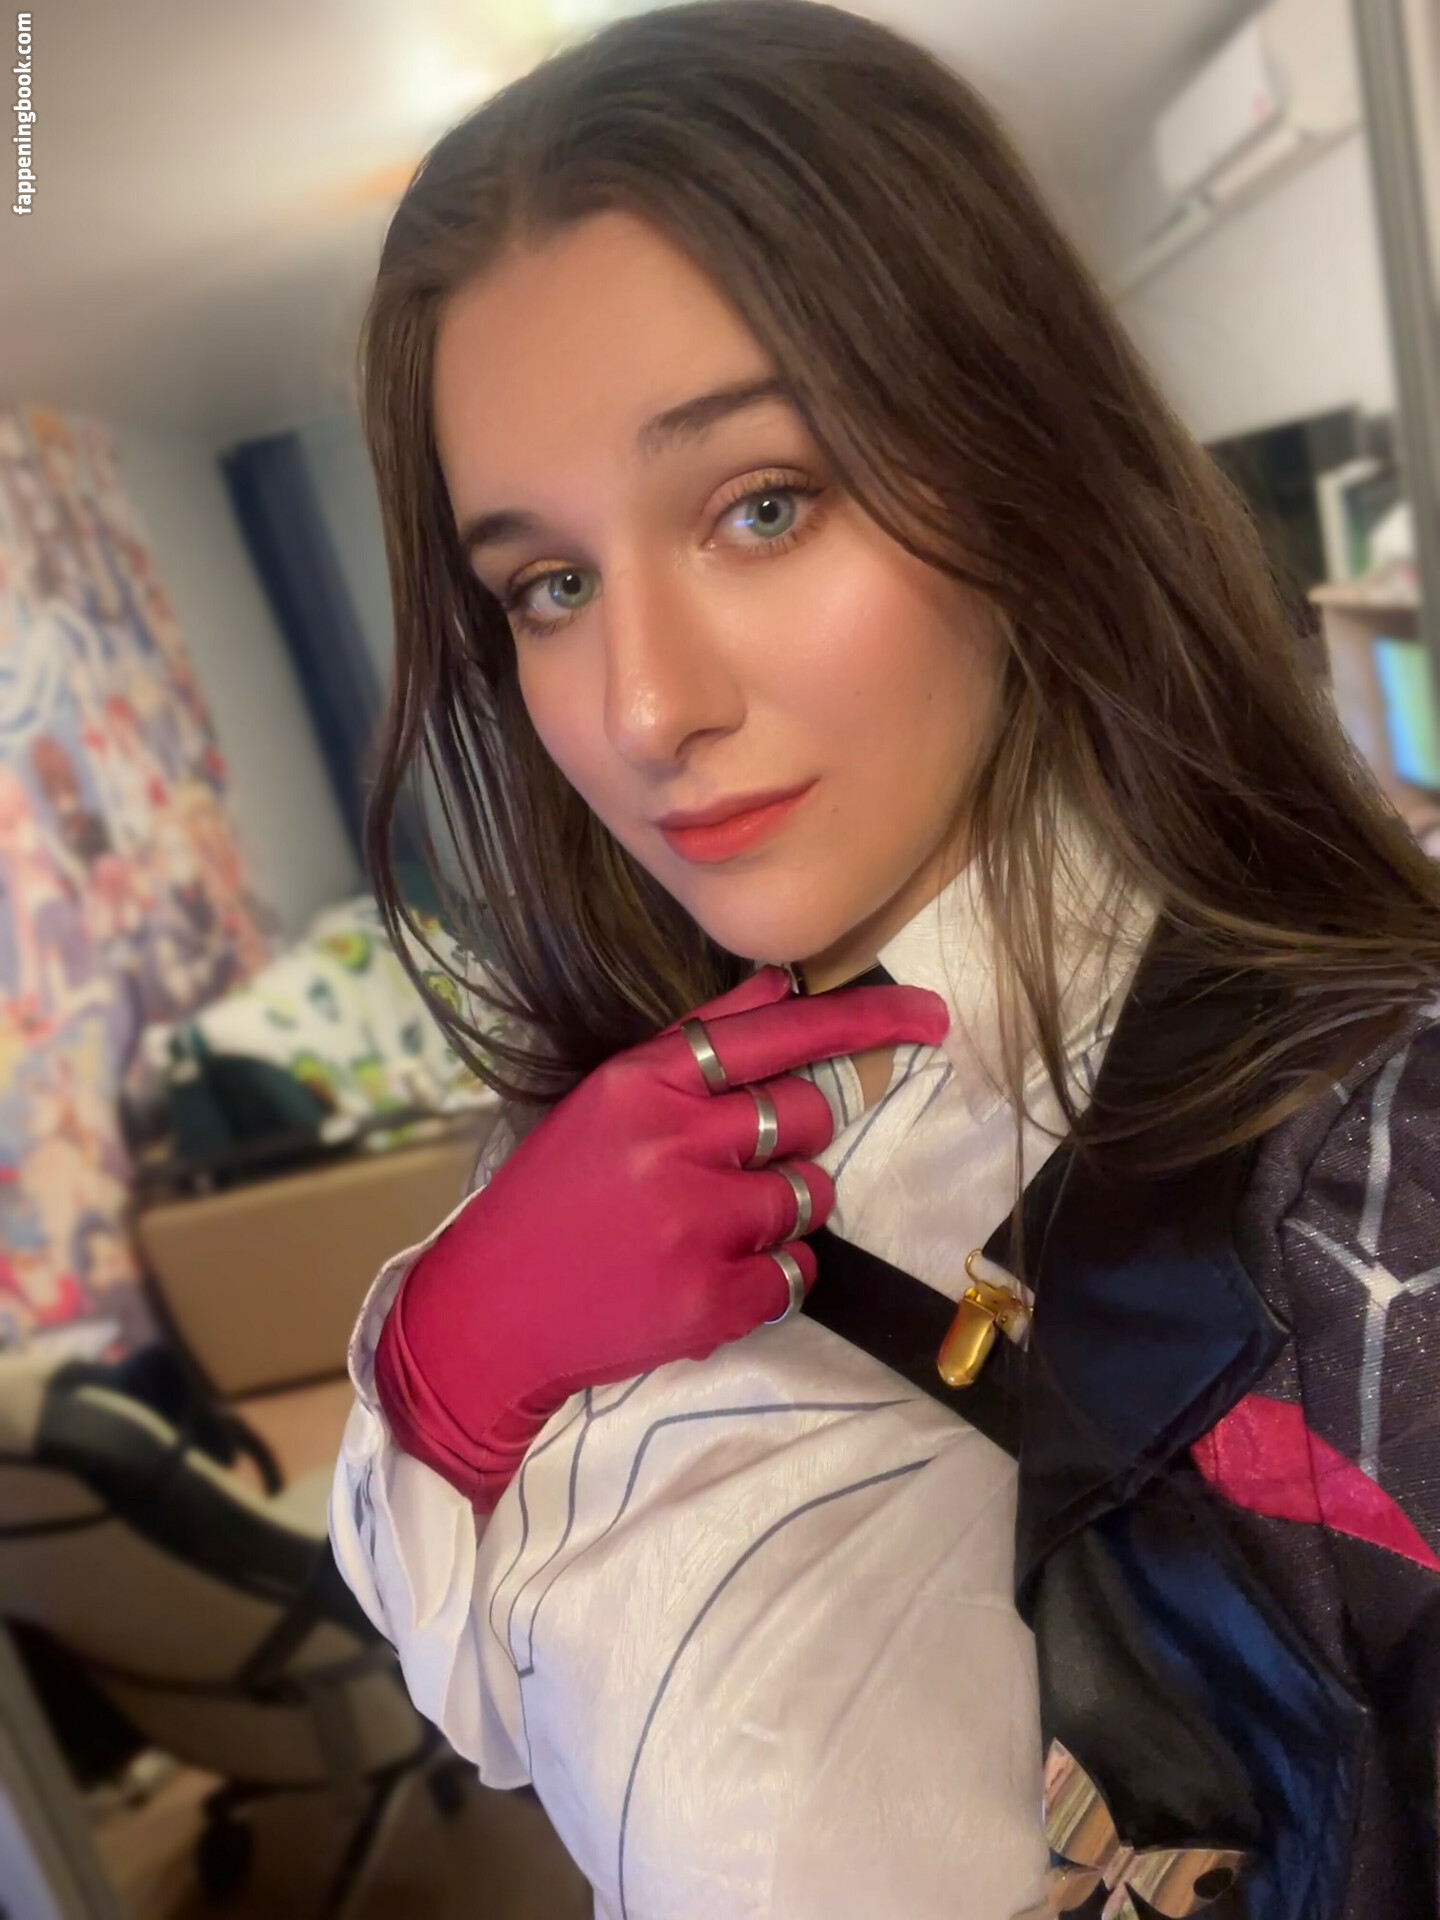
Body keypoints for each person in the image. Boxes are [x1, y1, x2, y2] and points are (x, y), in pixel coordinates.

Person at [328, 5, 1440, 1915]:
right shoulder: (646, 1100)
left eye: (762, 506)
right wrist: (441, 1373)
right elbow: (505, 1699)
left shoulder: (1362, 1182)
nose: (645, 709)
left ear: (1019, 458)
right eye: (550, 585)